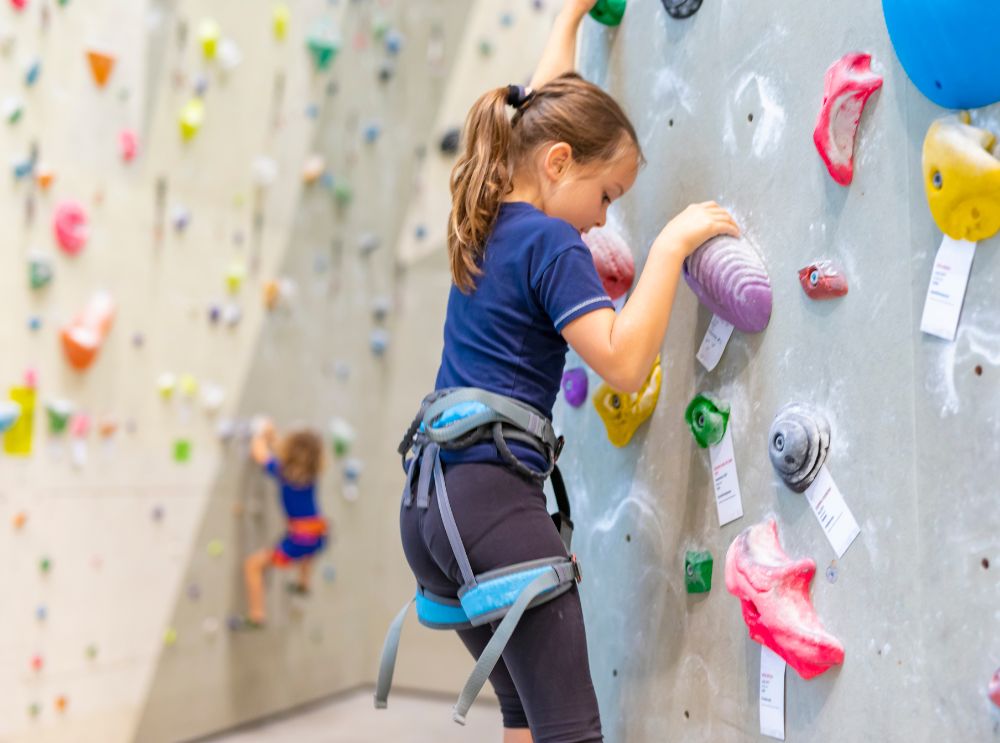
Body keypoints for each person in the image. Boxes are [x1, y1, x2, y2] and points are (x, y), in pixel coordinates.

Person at [398, 1, 739, 740]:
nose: (599, 218)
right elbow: (620, 361)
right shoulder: (553, 241)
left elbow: (538, 108)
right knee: (571, 729)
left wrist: (569, 21)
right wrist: (672, 246)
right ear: (558, 165)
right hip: (490, 501)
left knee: (526, 714)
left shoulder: (486, 207)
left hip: (430, 508)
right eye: (607, 195)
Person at [242, 418, 329, 629]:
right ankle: (303, 583)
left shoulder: (281, 470)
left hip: (299, 538)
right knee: (307, 552)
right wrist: (274, 437)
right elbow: (288, 452)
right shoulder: (311, 474)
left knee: (253, 565)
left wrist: (261, 434)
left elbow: (259, 453)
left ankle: (257, 615)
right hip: (317, 531)